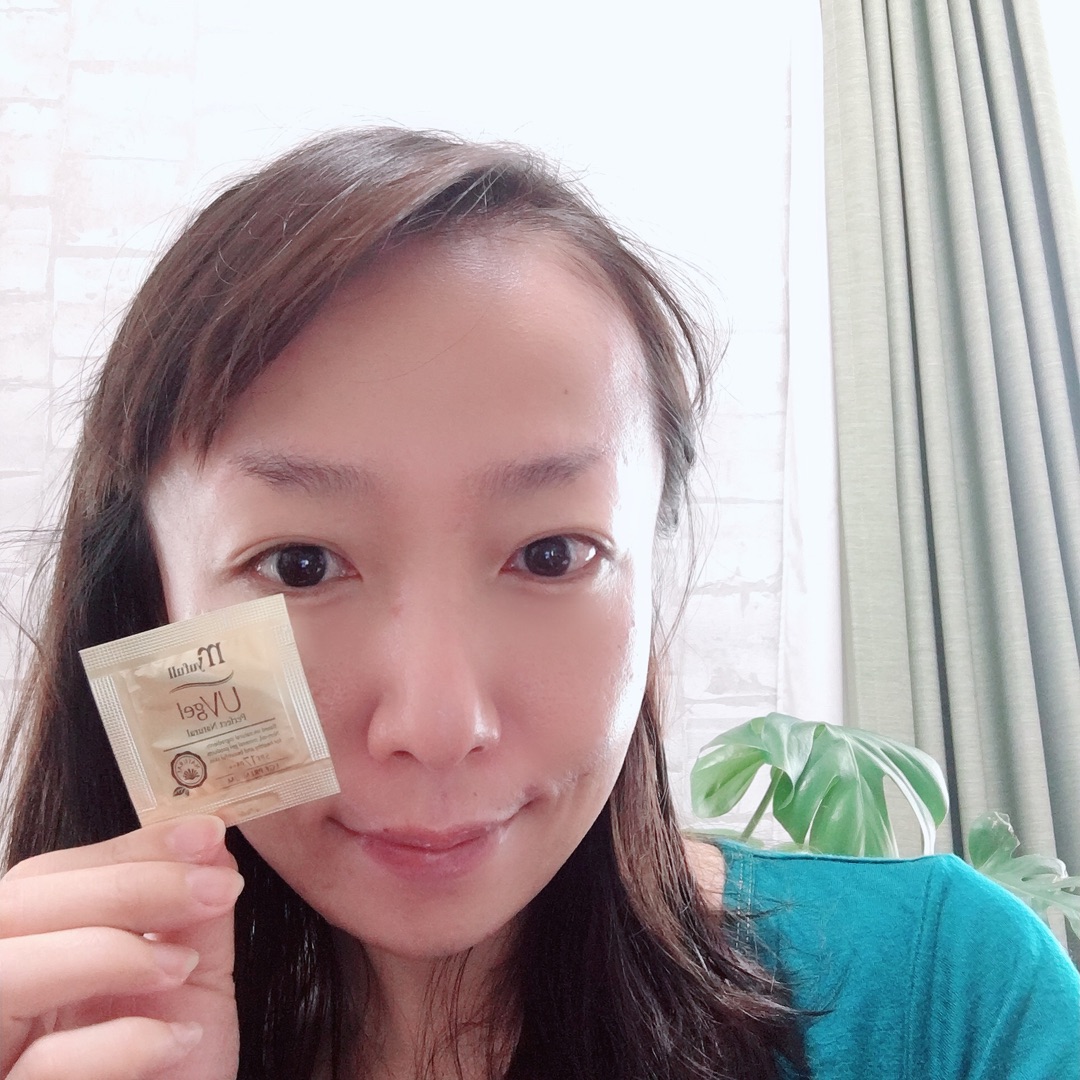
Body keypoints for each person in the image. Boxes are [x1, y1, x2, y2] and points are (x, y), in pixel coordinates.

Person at [0, 128, 1076, 1080]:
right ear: (152, 607)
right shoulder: (42, 1028)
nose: (436, 727)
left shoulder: (947, 1000)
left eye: (552, 554)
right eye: (300, 565)